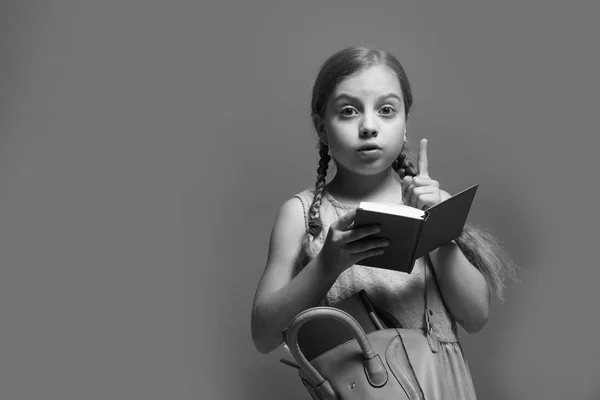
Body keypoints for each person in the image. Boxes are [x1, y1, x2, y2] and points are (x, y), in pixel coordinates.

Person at [250, 45, 516, 398]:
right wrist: (327, 264)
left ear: (405, 122)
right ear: (321, 128)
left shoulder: (434, 203)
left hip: (439, 388)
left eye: (387, 110)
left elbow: (475, 316)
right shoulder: (301, 215)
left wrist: (435, 229)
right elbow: (264, 336)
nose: (369, 126)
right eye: (348, 111)